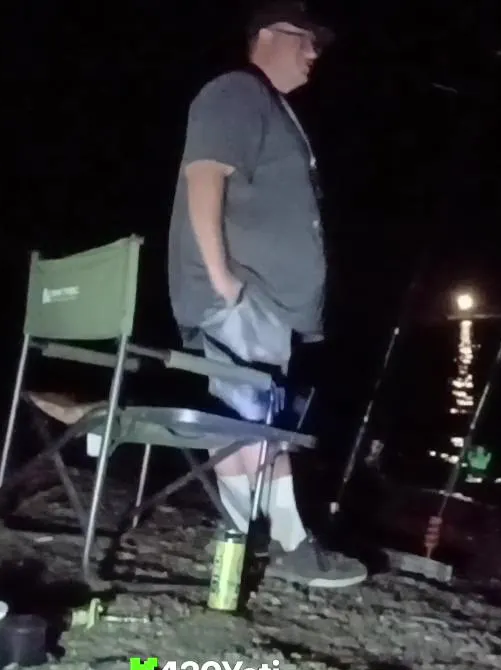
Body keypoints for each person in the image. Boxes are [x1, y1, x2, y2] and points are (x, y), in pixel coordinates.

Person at [166, 0, 368, 589]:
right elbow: (205, 175)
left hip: (262, 303)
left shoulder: (271, 108)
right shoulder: (237, 91)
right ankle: (289, 542)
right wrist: (222, 278)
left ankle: (240, 535)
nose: (314, 52)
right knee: (254, 418)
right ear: (266, 36)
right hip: (243, 295)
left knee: (245, 417)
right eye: (304, 38)